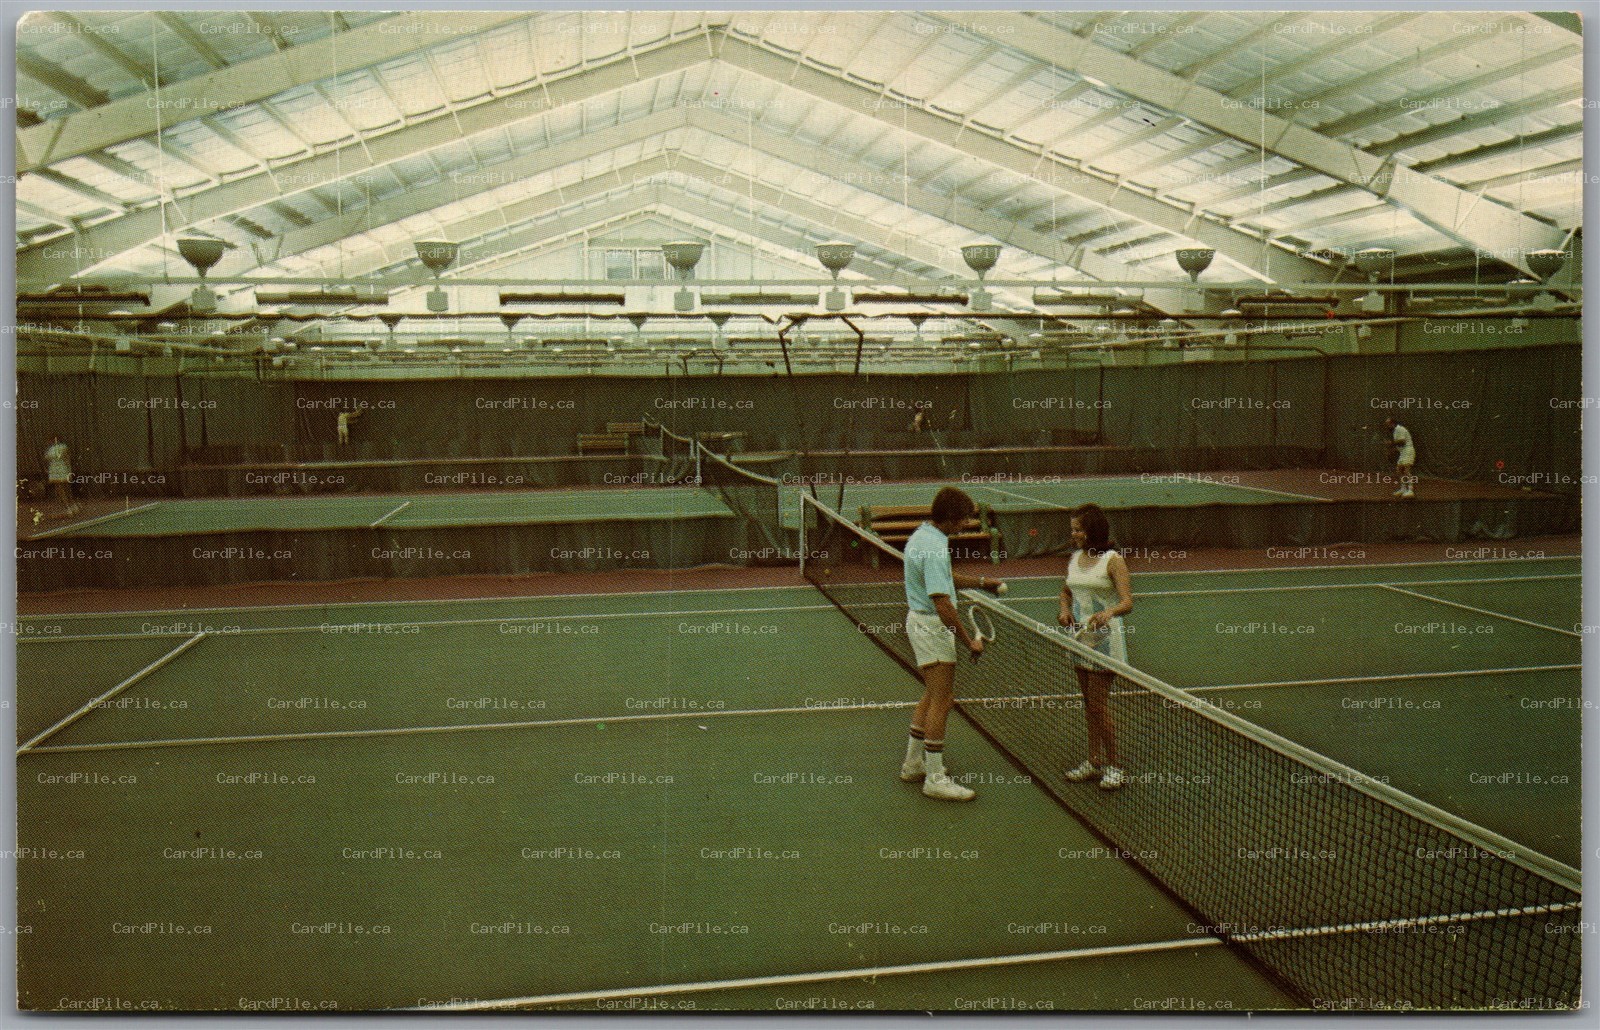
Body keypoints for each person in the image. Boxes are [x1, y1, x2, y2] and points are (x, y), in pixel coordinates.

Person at [899, 486, 1005, 801]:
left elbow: (946, 577)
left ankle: (913, 763)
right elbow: (943, 603)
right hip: (932, 628)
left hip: (921, 623)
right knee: (943, 701)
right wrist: (968, 639)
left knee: (932, 695)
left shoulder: (923, 535)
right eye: (963, 520)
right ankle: (934, 778)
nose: (964, 526)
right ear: (950, 518)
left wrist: (984, 583)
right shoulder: (933, 547)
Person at [1058, 503, 1133, 790]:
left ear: (1092, 531)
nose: (1073, 534)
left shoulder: (1113, 560)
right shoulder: (1075, 557)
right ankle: (1093, 761)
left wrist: (1109, 613)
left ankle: (1115, 766)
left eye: (1078, 529)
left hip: (1105, 642)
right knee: (1089, 704)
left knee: (1099, 706)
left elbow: (1127, 601)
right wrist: (1065, 611)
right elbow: (1066, 591)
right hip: (1079, 640)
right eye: (1073, 529)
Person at [43, 436, 78, 515]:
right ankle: (69, 507)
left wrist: (69, 472)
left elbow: (67, 459)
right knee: (60, 489)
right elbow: (47, 460)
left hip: (62, 468)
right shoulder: (49, 450)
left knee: (65, 488)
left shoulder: (63, 447)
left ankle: (70, 507)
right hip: (53, 470)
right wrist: (47, 469)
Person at [1384, 417, 1415, 498]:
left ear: (1392, 424)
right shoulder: (1395, 431)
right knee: (1399, 470)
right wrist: (1390, 452)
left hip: (1408, 451)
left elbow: (1402, 441)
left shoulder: (1399, 429)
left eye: (1388, 424)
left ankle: (1410, 490)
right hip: (1403, 452)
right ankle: (1403, 489)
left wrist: (1390, 443)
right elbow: (1399, 445)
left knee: (1406, 470)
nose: (1387, 426)